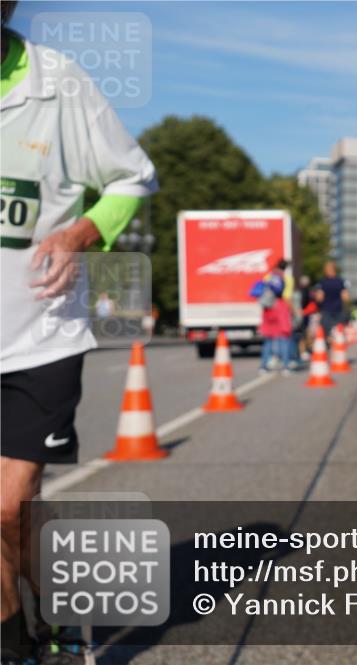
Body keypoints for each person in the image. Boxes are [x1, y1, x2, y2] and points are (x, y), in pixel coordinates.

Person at [1, 5, 158, 663]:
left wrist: (80, 233)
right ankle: (15, 643)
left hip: (41, 337)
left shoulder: (57, 83)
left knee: (8, 507)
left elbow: (133, 176)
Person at [258, 259, 294, 376]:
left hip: (268, 309)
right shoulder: (287, 279)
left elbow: (262, 291)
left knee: (268, 339)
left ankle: (263, 366)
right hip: (281, 308)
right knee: (284, 338)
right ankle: (285, 366)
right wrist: (293, 311)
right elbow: (287, 297)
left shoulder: (268, 276)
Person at [317, 259, 350, 334]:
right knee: (339, 334)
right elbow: (346, 297)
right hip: (339, 310)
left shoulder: (322, 282)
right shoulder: (341, 281)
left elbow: (319, 298)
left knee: (327, 334)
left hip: (326, 311)